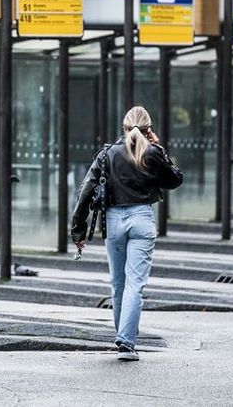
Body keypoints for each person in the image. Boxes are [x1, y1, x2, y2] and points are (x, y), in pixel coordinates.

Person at [70, 106, 183, 361]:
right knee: (135, 284)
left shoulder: (107, 154)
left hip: (113, 221)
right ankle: (126, 341)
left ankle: (123, 336)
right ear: (148, 130)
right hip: (141, 219)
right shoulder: (152, 153)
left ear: (124, 128)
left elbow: (86, 191)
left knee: (118, 283)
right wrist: (160, 148)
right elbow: (175, 180)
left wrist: (77, 229)